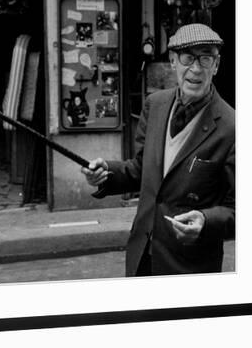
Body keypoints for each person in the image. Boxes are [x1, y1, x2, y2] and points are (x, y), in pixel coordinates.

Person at [81, 23, 235, 276]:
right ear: (173, 62)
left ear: (216, 66)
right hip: (142, 255)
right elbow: (142, 170)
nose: (195, 69)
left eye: (205, 59)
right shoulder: (155, 105)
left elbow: (243, 209)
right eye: (187, 58)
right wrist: (106, 171)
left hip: (190, 267)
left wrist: (206, 222)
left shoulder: (233, 127)